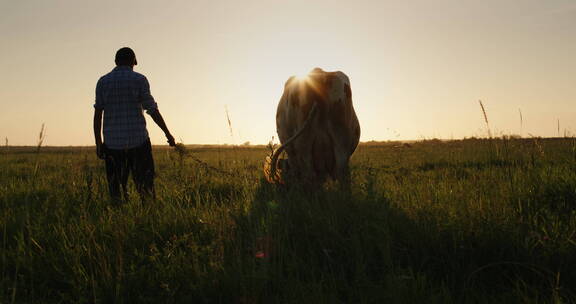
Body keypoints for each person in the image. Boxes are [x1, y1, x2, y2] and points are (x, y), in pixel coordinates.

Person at [93, 47, 176, 202]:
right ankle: (148, 220)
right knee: (146, 190)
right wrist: (167, 133)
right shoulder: (139, 79)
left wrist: (98, 143)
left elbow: (98, 114)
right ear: (134, 62)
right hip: (139, 143)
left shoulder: (103, 82)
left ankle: (119, 221)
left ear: (116, 62)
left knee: (116, 192)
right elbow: (152, 110)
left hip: (113, 146)